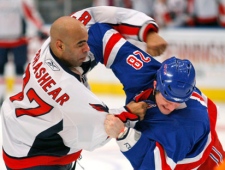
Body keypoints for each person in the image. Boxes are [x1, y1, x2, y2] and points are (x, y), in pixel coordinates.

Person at [0, 16, 149, 170]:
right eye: (80, 44)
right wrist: (130, 113)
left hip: (17, 135)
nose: (87, 49)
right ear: (60, 46)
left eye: (86, 41)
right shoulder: (69, 90)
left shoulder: (46, 50)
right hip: (36, 159)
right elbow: (98, 131)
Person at [86, 22, 225, 169]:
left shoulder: (187, 123)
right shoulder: (143, 72)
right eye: (167, 97)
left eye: (177, 102)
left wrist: (124, 134)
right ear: (155, 85)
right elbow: (100, 35)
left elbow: (153, 167)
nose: (171, 106)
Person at [0, 0, 47, 104]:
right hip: (1, 42)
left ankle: (18, 98)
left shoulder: (21, 1)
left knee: (19, 69)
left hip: (19, 41)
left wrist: (41, 29)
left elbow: (31, 15)